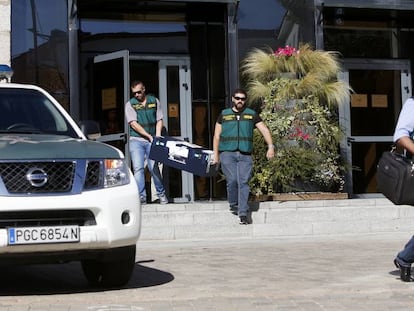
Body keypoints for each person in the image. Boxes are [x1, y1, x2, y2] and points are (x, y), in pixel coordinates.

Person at [212, 88, 275, 225]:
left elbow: (264, 129)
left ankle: (243, 213)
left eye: (243, 99)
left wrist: (270, 146)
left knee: (243, 182)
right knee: (233, 180)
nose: (240, 101)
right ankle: (234, 203)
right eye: (237, 98)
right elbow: (216, 136)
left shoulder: (251, 114)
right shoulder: (224, 114)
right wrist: (215, 155)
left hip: (245, 154)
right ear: (233, 99)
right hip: (227, 153)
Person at [125, 80, 168, 204]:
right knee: (138, 168)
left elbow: (159, 119)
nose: (137, 95)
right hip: (136, 140)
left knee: (153, 167)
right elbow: (133, 124)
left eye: (139, 92)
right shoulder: (130, 104)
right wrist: (148, 136)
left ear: (144, 89)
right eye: (134, 93)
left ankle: (161, 194)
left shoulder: (154, 101)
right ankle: (141, 197)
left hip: (152, 139)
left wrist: (158, 135)